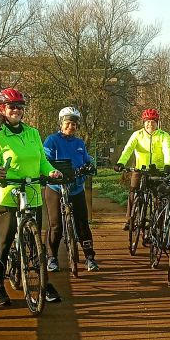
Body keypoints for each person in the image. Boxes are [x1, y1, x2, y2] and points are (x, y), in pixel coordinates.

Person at [0, 87, 63, 306]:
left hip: (32, 191)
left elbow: (42, 161)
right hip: (8, 193)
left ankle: (43, 282)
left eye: (20, 106)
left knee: (35, 239)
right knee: (5, 241)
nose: (16, 110)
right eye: (12, 106)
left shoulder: (33, 133)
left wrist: (51, 171)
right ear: (2, 109)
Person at [43, 107, 99, 272]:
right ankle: (52, 258)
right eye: (68, 123)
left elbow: (87, 159)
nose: (71, 126)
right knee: (56, 225)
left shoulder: (79, 143)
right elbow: (45, 159)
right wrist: (52, 171)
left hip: (76, 188)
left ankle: (89, 258)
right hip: (56, 187)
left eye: (74, 124)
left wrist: (90, 165)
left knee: (82, 224)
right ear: (61, 124)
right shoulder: (52, 140)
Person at [114, 108, 170, 231]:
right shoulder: (137, 135)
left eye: (153, 122)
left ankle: (157, 222)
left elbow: (167, 150)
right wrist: (121, 162)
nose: (150, 124)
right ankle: (130, 219)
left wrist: (168, 164)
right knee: (133, 192)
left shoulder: (164, 135)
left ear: (157, 123)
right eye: (147, 121)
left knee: (159, 196)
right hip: (140, 169)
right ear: (143, 123)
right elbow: (128, 149)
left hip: (157, 170)